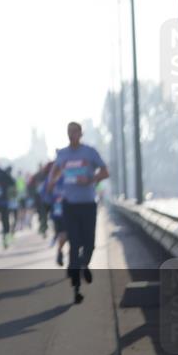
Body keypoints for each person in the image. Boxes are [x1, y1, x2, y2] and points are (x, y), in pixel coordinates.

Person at [48, 122, 109, 305]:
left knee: (89, 243)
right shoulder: (63, 154)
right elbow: (56, 170)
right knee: (74, 243)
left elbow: (105, 172)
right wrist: (52, 182)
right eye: (69, 132)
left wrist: (90, 179)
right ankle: (76, 288)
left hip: (88, 204)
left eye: (75, 131)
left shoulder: (90, 152)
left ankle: (84, 265)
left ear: (81, 134)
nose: (71, 134)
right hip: (70, 205)